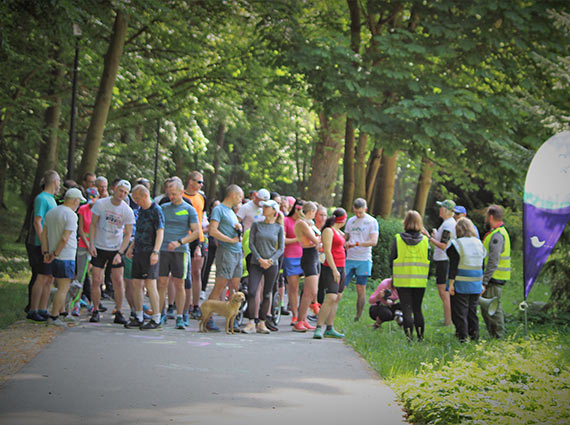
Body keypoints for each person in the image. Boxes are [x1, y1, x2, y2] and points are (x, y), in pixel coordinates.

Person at [88, 179, 135, 324]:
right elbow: (93, 224)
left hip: (116, 248)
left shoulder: (127, 210)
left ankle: (119, 311)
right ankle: (95, 310)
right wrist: (91, 244)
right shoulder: (101, 204)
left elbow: (128, 233)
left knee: (118, 281)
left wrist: (120, 252)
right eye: (120, 190)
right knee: (96, 279)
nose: (122, 194)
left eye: (126, 193)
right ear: (115, 189)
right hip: (100, 246)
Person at [157, 179, 200, 329]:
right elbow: (156, 228)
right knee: (161, 283)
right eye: (169, 194)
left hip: (180, 252)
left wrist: (180, 242)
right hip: (163, 250)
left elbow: (196, 232)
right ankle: (160, 314)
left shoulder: (189, 209)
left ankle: (180, 316)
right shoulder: (162, 208)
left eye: (174, 194)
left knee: (179, 284)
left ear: (181, 192)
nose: (171, 197)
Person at [41, 188, 86, 326]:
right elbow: (65, 238)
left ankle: (63, 313)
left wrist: (47, 252)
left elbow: (44, 234)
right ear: (75, 200)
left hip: (53, 254)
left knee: (59, 284)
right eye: (79, 201)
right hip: (65, 255)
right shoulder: (71, 215)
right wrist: (56, 253)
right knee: (64, 288)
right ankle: (54, 317)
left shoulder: (51, 212)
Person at [124, 185, 164, 330]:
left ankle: (156, 318)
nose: (136, 201)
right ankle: (139, 315)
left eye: (138, 198)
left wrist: (156, 251)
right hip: (139, 251)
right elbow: (139, 230)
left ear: (145, 196)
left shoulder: (156, 210)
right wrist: (131, 246)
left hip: (150, 252)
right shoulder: (141, 210)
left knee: (150, 284)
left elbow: (160, 232)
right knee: (136, 283)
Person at [242, 200, 284, 334]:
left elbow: (281, 248)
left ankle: (262, 322)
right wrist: (260, 258)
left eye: (267, 207)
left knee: (267, 293)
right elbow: (251, 244)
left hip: (272, 264)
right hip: (256, 262)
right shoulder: (256, 225)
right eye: (264, 206)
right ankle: (250, 322)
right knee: (253, 291)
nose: (264, 209)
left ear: (274, 211)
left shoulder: (279, 228)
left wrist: (270, 260)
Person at [206, 184, 244, 331]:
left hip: (237, 252)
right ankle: (208, 317)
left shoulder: (232, 212)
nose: (241, 200)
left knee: (235, 288)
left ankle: (232, 320)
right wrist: (229, 240)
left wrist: (238, 230)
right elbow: (212, 230)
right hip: (226, 251)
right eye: (240, 196)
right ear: (233, 195)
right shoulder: (219, 209)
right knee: (220, 286)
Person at [26, 170, 60, 322]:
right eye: (58, 181)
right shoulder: (41, 199)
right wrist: (43, 243)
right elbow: (37, 221)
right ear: (54, 182)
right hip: (39, 243)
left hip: (50, 243)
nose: (59, 184)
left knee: (49, 276)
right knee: (41, 276)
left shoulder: (52, 199)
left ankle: (43, 307)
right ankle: (33, 309)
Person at [391, 210, 430, 341]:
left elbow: (391, 260)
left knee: (406, 309)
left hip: (402, 281)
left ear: (405, 223)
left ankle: (409, 338)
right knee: (417, 309)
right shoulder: (425, 240)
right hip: (420, 281)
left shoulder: (397, 239)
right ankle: (420, 337)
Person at [448, 218, 487, 342]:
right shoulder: (479, 243)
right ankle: (474, 336)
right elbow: (482, 265)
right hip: (476, 284)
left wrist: (451, 284)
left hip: (461, 284)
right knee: (472, 311)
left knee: (460, 312)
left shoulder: (457, 244)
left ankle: (463, 338)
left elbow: (453, 267)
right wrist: (482, 283)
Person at [313, 208, 347, 339]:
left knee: (337, 298)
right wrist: (334, 269)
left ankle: (329, 327)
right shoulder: (328, 230)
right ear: (343, 219)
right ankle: (318, 327)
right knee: (330, 298)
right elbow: (327, 251)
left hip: (342, 266)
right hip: (331, 267)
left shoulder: (339, 232)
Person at [344, 198, 379, 321]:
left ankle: (358, 316)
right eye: (355, 212)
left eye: (360, 212)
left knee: (361, 289)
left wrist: (357, 244)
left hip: (364, 259)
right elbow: (346, 236)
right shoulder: (351, 221)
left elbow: (373, 241)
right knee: (340, 286)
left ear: (365, 209)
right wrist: (345, 242)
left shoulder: (371, 222)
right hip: (350, 258)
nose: (358, 215)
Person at [425, 199, 456, 326]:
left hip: (444, 261)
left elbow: (443, 245)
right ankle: (448, 320)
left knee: (444, 291)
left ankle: (448, 322)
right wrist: (435, 235)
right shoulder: (447, 223)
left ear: (446, 210)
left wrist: (428, 237)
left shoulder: (448, 225)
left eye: (441, 207)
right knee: (444, 291)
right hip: (443, 260)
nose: (439, 210)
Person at [481, 205, 511, 339]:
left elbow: (493, 260)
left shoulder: (497, 236)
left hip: (494, 277)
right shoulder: (497, 233)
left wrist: (484, 281)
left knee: (493, 308)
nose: (485, 219)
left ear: (491, 217)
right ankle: (496, 336)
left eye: (486, 216)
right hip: (494, 277)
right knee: (488, 308)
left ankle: (499, 337)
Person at [69, 187, 99, 316]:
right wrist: (88, 244)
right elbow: (80, 229)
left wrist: (93, 244)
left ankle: (94, 303)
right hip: (83, 244)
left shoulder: (100, 210)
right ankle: (76, 303)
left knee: (97, 277)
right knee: (81, 275)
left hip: (96, 244)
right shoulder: (83, 209)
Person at [183, 171, 207, 320]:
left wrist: (199, 241)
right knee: (181, 275)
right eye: (199, 182)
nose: (201, 185)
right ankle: (179, 305)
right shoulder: (181, 195)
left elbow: (201, 218)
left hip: (198, 238)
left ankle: (196, 305)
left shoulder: (201, 197)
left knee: (196, 273)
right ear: (190, 181)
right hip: (184, 237)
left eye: (202, 182)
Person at [293, 201, 321, 332]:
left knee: (312, 292)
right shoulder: (302, 223)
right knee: (310, 291)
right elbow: (316, 240)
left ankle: (303, 320)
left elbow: (317, 240)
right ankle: (299, 321)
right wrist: (321, 240)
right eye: (315, 213)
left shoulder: (309, 223)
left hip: (314, 255)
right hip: (308, 256)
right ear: (311, 212)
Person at [283, 199, 304, 323]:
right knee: (293, 287)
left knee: (309, 288)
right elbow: (283, 240)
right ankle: (295, 315)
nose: (299, 212)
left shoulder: (305, 222)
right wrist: (298, 239)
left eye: (301, 210)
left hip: (305, 256)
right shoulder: (287, 220)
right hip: (291, 256)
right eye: (297, 209)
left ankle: (303, 315)